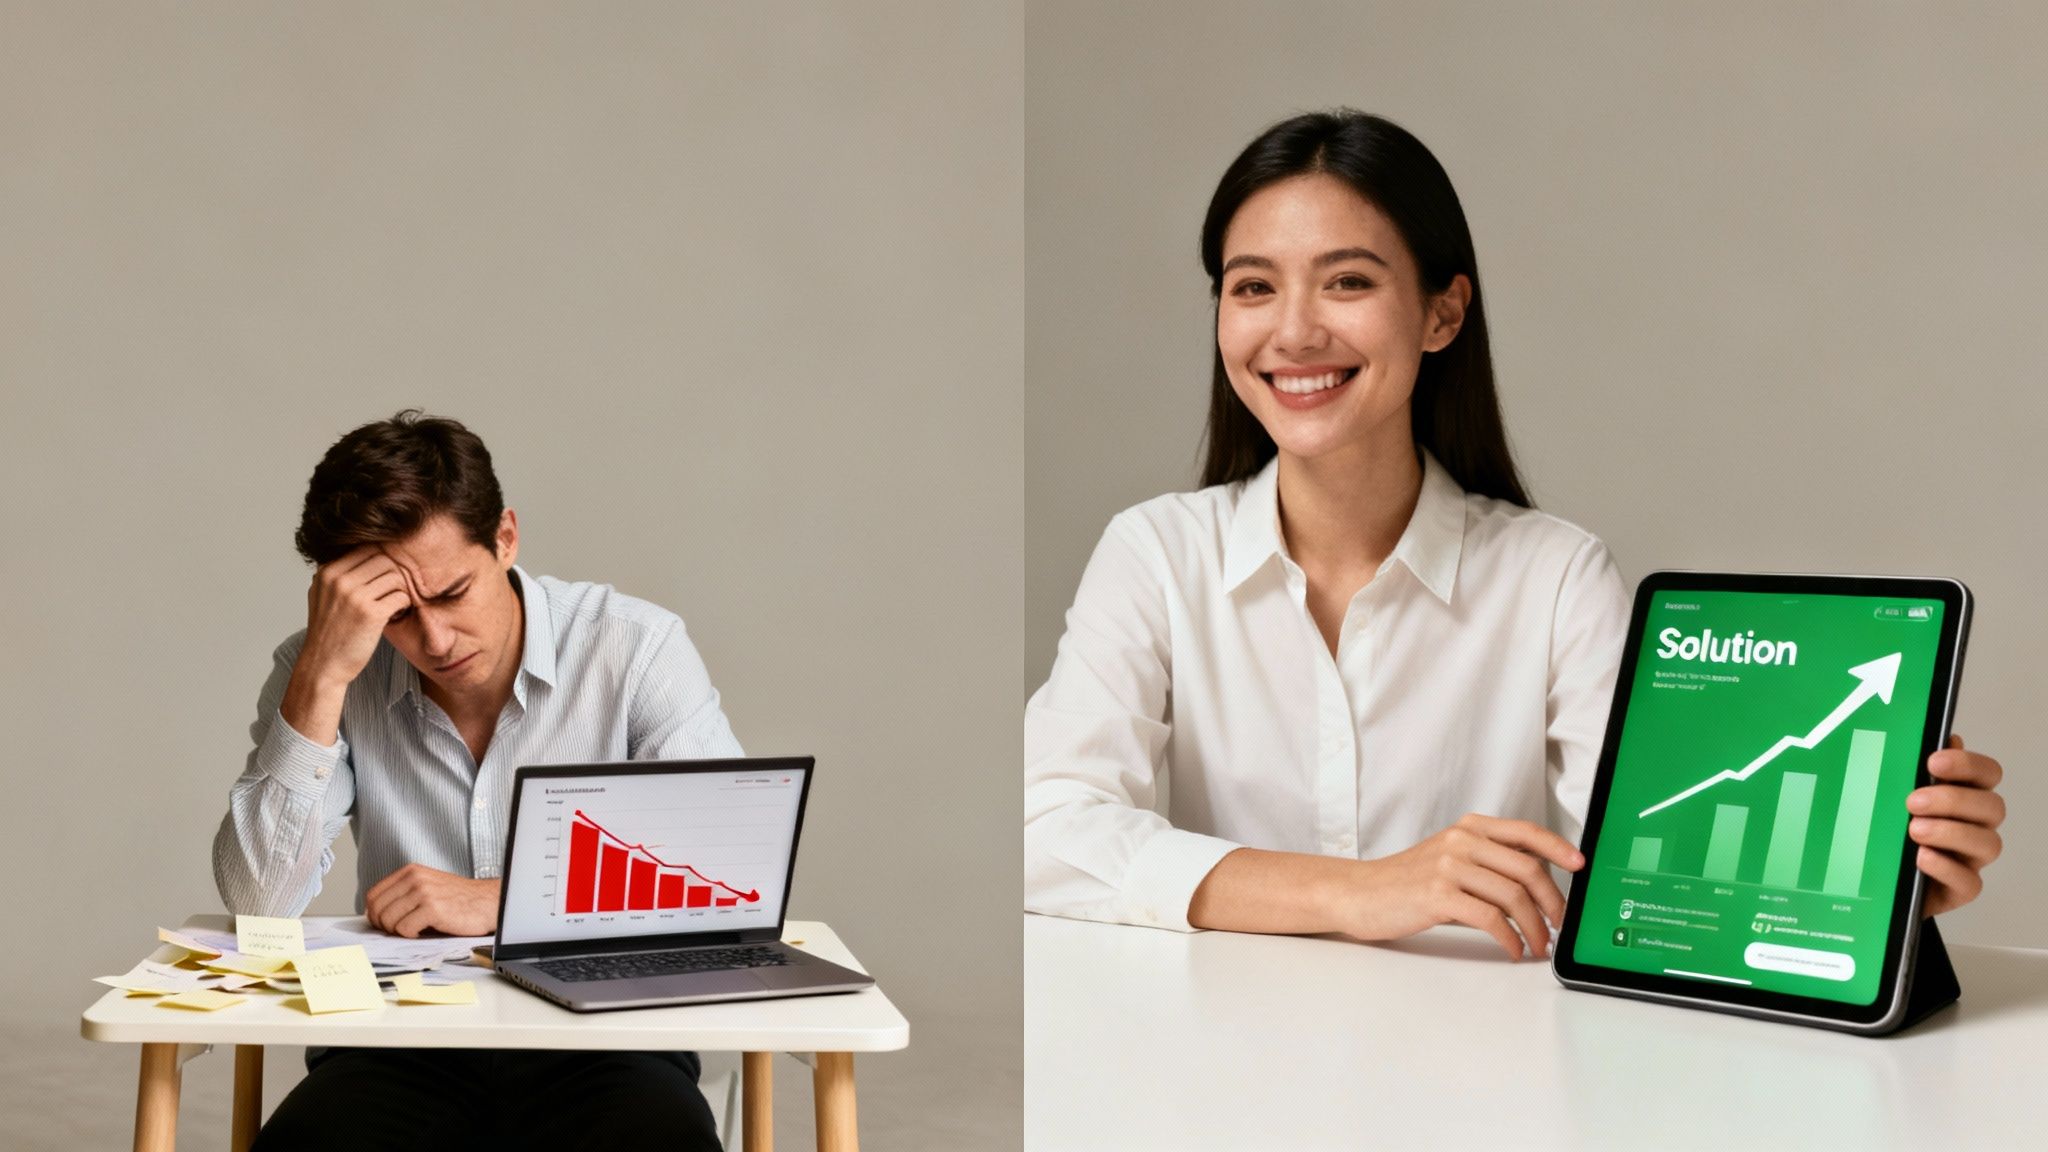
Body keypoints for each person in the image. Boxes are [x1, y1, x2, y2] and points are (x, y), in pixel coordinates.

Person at [1023, 110, 2006, 959]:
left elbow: (1638, 877)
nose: (1291, 332)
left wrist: (1878, 890)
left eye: (1347, 282)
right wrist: (1363, 892)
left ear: (1442, 313)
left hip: (1480, 1078)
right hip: (1201, 1078)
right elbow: (1043, 833)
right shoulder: (1154, 555)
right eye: (1250, 287)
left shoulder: (1553, 578)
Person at [213, 411, 735, 1149]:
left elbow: (723, 876)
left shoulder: (635, 648)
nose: (433, 640)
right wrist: (324, 676)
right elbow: (256, 900)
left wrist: (506, 900)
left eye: (453, 593)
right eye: (396, 614)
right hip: (400, 1041)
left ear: (506, 538)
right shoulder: (324, 668)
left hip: (605, 1039)